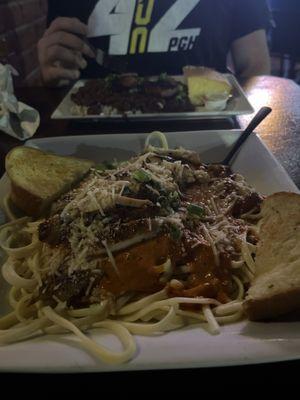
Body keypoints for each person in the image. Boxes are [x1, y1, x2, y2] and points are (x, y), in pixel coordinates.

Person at [38, 0, 271, 86]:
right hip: (91, 136)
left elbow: (255, 66)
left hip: (209, 133)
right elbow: (60, 64)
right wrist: (53, 72)